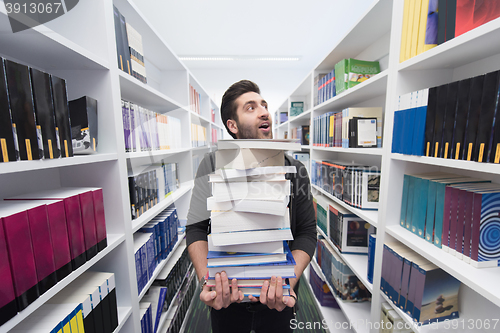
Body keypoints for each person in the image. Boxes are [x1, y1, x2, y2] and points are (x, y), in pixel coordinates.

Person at [186, 80, 317, 333]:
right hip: (227, 303)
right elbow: (195, 229)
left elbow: (307, 234)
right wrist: (209, 283)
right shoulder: (211, 167)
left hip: (278, 304)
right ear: (232, 125)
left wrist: (287, 281)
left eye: (264, 105)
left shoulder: (295, 170)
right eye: (250, 107)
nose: (263, 111)